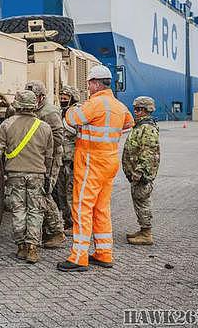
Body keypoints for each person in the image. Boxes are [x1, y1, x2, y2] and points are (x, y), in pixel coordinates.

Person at [56, 65, 134, 272]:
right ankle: (103, 253)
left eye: (89, 83)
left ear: (95, 83)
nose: (88, 87)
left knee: (82, 208)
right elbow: (129, 124)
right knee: (101, 209)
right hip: (109, 162)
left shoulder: (94, 104)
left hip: (91, 162)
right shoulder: (119, 106)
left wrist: (74, 109)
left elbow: (70, 120)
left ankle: (79, 257)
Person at [0, 90, 54, 264]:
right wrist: (47, 175)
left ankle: (21, 247)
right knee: (35, 210)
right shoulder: (45, 127)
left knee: (18, 210)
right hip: (37, 175)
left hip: (14, 175)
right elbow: (49, 156)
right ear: (34, 105)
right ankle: (32, 247)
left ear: (17, 104)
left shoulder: (6, 125)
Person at [24, 80, 66, 249]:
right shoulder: (34, 110)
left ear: (41, 97)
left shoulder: (49, 113)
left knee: (45, 193)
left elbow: (58, 139)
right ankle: (47, 230)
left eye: (33, 97)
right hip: (38, 157)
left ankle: (57, 232)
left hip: (49, 158)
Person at [122, 96, 160, 245]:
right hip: (136, 173)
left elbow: (148, 152)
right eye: (135, 109)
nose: (136, 112)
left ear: (147, 110)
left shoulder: (147, 128)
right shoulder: (140, 126)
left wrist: (140, 171)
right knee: (139, 200)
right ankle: (143, 229)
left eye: (140, 109)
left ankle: (146, 233)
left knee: (142, 201)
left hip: (141, 174)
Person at [55, 85, 81, 235]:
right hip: (60, 160)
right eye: (62, 98)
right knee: (61, 194)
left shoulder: (76, 114)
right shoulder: (60, 113)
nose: (63, 100)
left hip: (72, 161)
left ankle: (74, 224)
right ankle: (67, 221)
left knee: (71, 194)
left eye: (65, 98)